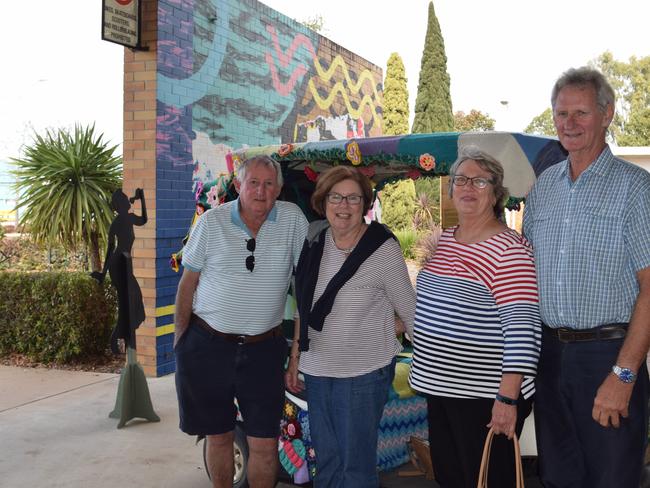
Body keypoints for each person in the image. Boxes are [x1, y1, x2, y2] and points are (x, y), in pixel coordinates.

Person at [523, 67, 650, 488]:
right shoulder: (543, 189)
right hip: (550, 355)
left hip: (607, 358)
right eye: (561, 114)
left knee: (611, 478)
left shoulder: (636, 189)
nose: (569, 124)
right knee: (558, 477)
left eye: (580, 113)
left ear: (607, 113)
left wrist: (624, 374)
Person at [409, 145, 541, 488]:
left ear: (496, 194)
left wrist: (507, 399)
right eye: (461, 180)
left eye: (480, 182)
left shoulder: (509, 250)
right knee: (453, 478)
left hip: (486, 397)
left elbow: (521, 330)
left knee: (487, 479)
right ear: (451, 188)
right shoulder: (445, 241)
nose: (468, 188)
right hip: (442, 389)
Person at [173, 155, 308, 488]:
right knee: (218, 437)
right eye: (253, 183)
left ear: (278, 189)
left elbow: (305, 288)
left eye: (268, 184)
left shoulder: (293, 220)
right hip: (207, 346)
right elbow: (186, 285)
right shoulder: (211, 223)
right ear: (237, 185)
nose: (260, 192)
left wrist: (295, 357)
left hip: (264, 350)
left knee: (263, 443)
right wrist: (181, 343)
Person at [286, 165, 415, 488]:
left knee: (355, 468)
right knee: (327, 462)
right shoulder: (314, 239)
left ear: (365, 204)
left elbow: (410, 311)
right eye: (336, 197)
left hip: (363, 373)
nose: (344, 206)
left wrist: (386, 326)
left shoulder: (382, 248)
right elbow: (305, 305)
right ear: (323, 201)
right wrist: (295, 357)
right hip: (317, 370)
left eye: (353, 198)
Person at [92, 188, 147, 353]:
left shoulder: (129, 218)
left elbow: (144, 219)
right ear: (118, 205)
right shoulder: (116, 223)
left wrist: (142, 199)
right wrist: (103, 272)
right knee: (126, 301)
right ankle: (124, 337)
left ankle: (122, 334)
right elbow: (110, 250)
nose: (126, 202)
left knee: (135, 299)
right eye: (123, 200)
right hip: (119, 265)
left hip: (125, 262)